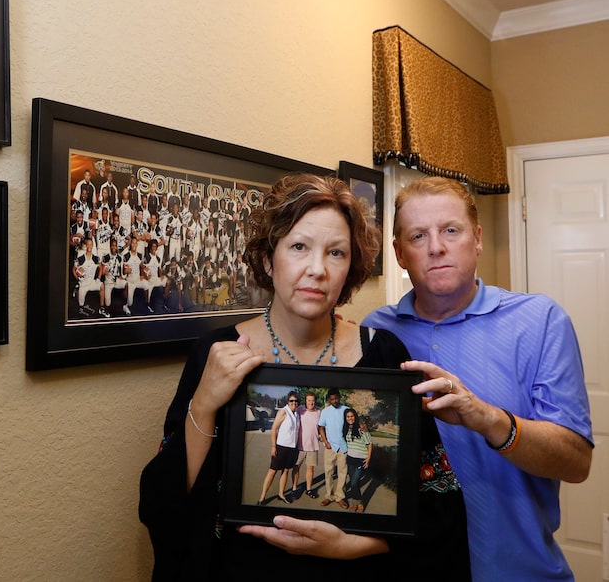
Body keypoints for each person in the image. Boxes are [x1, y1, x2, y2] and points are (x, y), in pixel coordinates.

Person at [139, 173, 471, 580]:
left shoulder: (384, 353)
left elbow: (437, 505)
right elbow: (165, 503)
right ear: (268, 258)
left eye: (336, 253)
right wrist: (205, 403)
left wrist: (350, 546)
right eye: (299, 247)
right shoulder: (218, 352)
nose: (318, 270)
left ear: (350, 268)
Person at [363, 176, 592, 581]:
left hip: (521, 570)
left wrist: (486, 417)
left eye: (451, 230)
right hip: (413, 568)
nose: (436, 247)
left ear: (478, 239)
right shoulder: (376, 334)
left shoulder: (539, 321)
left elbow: (576, 462)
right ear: (399, 253)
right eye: (418, 236)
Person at [257, 391, 300, 505]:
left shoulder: (296, 414)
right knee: (272, 471)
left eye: (296, 401)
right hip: (281, 447)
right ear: (288, 401)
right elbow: (274, 428)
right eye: (291, 401)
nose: (294, 403)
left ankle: (281, 494)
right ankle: (262, 497)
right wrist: (273, 446)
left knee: (285, 471)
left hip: (292, 448)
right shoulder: (283, 412)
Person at [317, 388, 349, 509]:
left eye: (336, 398)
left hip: (343, 447)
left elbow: (352, 424)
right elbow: (321, 428)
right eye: (332, 399)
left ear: (340, 397)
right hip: (330, 447)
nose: (334, 401)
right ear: (329, 400)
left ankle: (340, 497)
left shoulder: (346, 409)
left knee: (342, 473)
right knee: (329, 472)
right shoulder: (325, 411)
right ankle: (329, 496)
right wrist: (326, 442)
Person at [292, 391, 321, 499]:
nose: (311, 402)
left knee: (310, 470)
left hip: (313, 446)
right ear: (305, 401)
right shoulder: (299, 410)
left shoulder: (319, 412)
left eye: (313, 400)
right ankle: (294, 489)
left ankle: (308, 489)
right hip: (299, 446)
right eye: (309, 400)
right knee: (296, 468)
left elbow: (322, 427)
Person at [341, 408, 371, 513]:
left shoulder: (361, 428)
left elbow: (369, 444)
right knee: (355, 483)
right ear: (345, 418)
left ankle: (360, 503)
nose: (350, 418)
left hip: (361, 460)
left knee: (353, 483)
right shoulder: (346, 429)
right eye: (348, 416)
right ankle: (355, 504)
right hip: (350, 459)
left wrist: (368, 458)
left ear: (355, 416)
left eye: (352, 416)